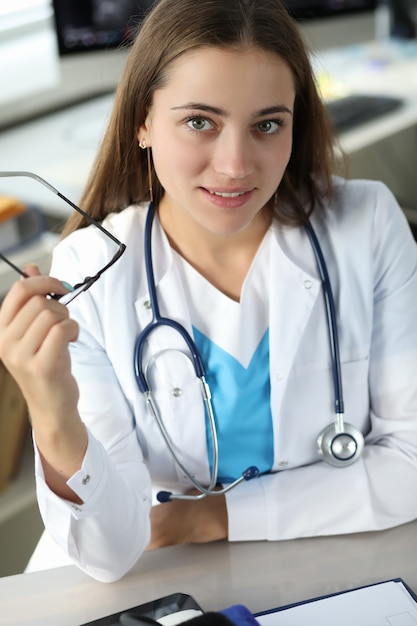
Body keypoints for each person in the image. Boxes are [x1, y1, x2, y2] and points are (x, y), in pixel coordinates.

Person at [0, 0, 416, 584]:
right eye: (200, 122)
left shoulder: (368, 224)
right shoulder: (88, 269)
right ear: (142, 121)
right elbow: (112, 551)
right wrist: (51, 411)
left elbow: (412, 464)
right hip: (165, 583)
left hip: (331, 562)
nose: (236, 165)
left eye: (268, 124)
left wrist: (207, 517)